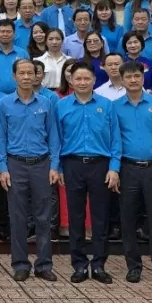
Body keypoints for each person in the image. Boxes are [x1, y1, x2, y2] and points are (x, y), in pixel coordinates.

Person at [110, 63, 152, 285]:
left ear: (143, 78)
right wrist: (115, 169)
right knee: (128, 219)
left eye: (137, 76)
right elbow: (114, 141)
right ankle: (133, 266)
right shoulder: (115, 107)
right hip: (128, 168)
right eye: (128, 77)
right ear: (121, 80)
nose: (133, 80)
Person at [0, 59, 60, 281]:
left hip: (41, 164)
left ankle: (44, 264)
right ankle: (21, 264)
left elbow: (53, 136)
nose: (25, 77)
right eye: (21, 73)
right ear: (14, 76)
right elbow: (0, 138)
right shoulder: (4, 104)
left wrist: (54, 166)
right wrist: (3, 168)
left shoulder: (46, 103)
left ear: (36, 76)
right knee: (18, 217)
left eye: (29, 73)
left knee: (44, 217)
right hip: (15, 165)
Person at [55, 64, 119, 284]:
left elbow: (116, 140)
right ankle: (79, 265)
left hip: (100, 165)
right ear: (71, 81)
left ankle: (99, 264)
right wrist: (59, 167)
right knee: (76, 217)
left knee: (100, 217)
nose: (82, 82)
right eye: (78, 78)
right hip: (72, 165)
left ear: (94, 80)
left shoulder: (107, 106)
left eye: (86, 78)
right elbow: (57, 140)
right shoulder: (61, 106)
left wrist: (114, 168)